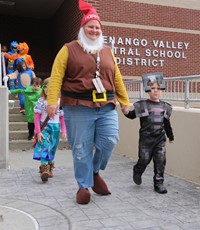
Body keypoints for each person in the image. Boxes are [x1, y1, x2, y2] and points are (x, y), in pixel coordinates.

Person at [46, 0, 130, 205]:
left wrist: (125, 101)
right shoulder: (68, 49)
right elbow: (56, 77)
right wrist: (52, 101)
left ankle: (94, 172)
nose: (94, 30)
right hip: (78, 106)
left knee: (110, 140)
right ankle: (83, 185)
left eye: (97, 27)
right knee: (81, 147)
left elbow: (117, 77)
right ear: (82, 28)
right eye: (90, 27)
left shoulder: (108, 51)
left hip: (106, 106)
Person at [125, 73, 174, 194]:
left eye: (158, 88)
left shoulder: (165, 107)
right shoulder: (142, 105)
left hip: (160, 139)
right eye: (152, 88)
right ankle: (138, 170)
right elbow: (132, 116)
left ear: (161, 90)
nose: (155, 91)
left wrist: (170, 136)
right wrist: (125, 111)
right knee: (144, 159)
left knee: (160, 160)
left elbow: (167, 123)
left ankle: (159, 183)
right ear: (147, 90)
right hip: (146, 140)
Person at [33, 78, 67, 182]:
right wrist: (38, 131)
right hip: (45, 127)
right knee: (45, 145)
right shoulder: (41, 101)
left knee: (52, 147)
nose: (47, 90)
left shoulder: (59, 102)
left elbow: (62, 117)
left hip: (55, 128)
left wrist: (64, 130)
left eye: (51, 88)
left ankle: (50, 166)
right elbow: (37, 116)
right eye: (45, 87)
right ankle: (44, 168)